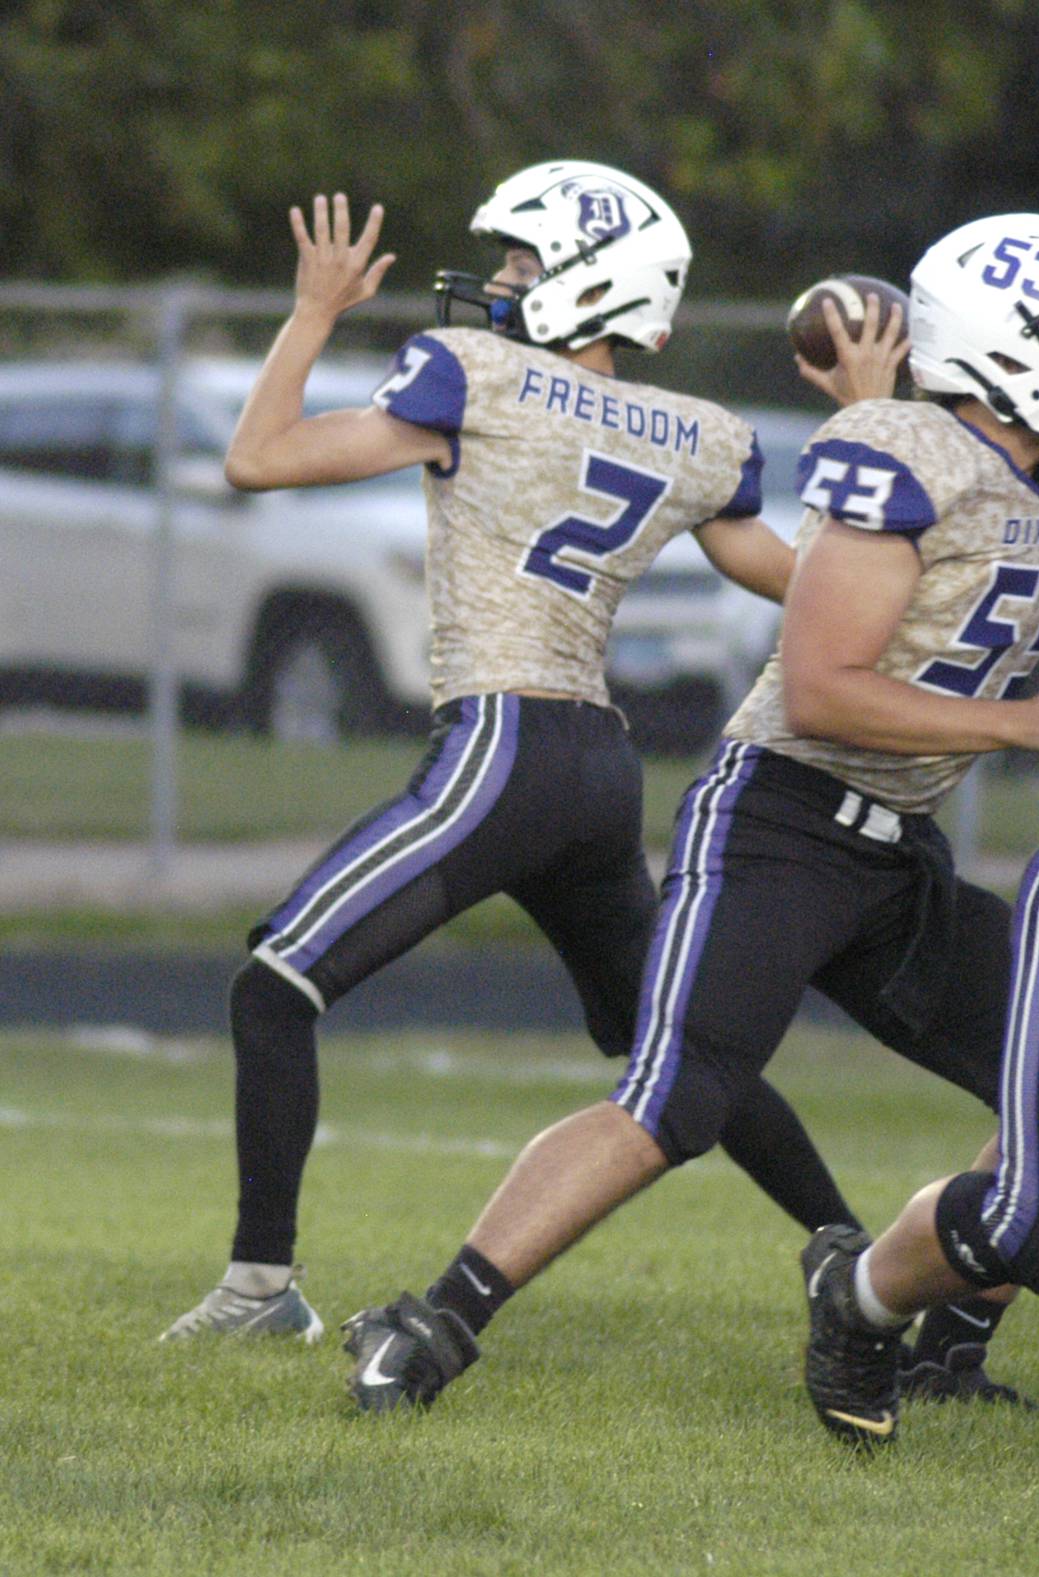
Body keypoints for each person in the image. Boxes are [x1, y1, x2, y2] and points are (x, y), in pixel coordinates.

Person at [339, 212, 1039, 1418]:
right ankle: (432, 1324)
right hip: (780, 821)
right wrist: (1020, 723)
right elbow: (826, 685)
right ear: (1009, 346)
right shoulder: (904, 459)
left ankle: (940, 1344)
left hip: (900, 856)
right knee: (676, 1101)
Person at [161, 160, 871, 1343]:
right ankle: (843, 1245)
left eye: (524, 262)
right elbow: (802, 581)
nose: (499, 281)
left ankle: (258, 1289)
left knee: (274, 985)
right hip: (598, 763)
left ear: (590, 283)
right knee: (668, 1042)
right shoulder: (697, 431)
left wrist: (312, 314)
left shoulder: (477, 376)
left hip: (502, 742)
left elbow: (259, 458)